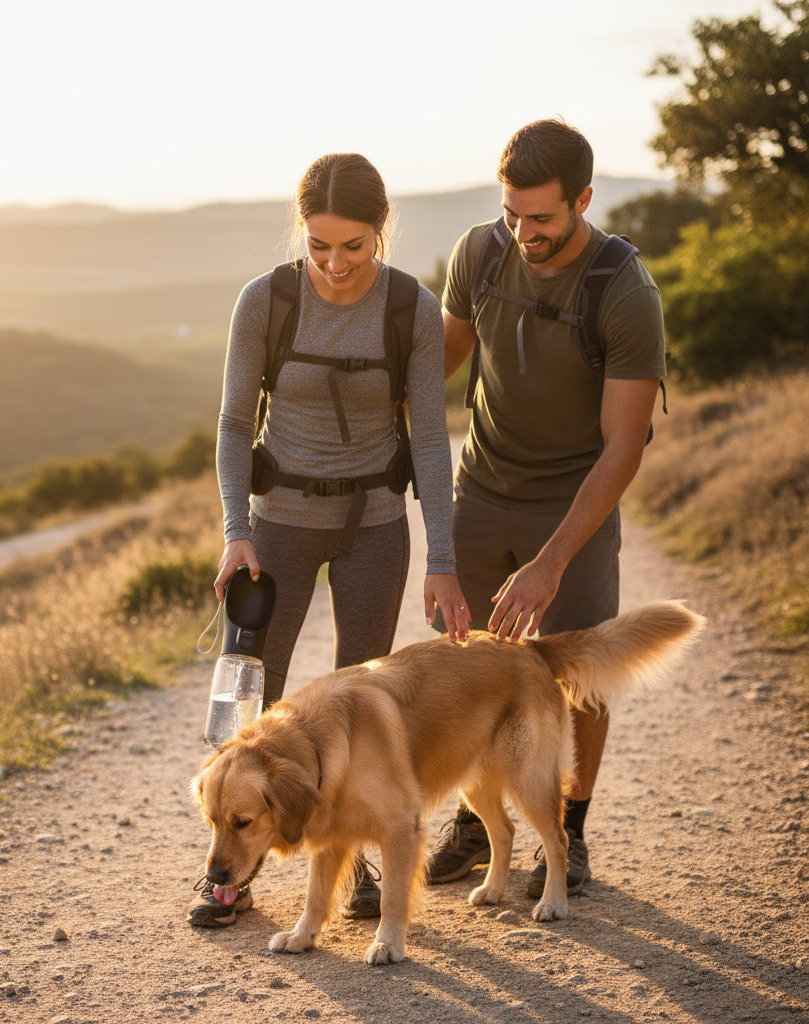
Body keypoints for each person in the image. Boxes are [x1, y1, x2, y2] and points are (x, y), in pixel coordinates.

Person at [188, 152, 470, 928]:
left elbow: (431, 438)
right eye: (318, 245)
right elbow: (233, 423)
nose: (335, 264)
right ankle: (227, 875)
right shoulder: (267, 301)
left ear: (382, 228)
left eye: (354, 246)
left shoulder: (410, 308)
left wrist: (442, 558)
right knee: (249, 700)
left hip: (374, 524)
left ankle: (361, 860)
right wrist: (236, 532)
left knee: (361, 707)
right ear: (300, 230)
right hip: (277, 525)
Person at [425, 119, 666, 899]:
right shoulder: (479, 253)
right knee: (465, 662)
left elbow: (623, 446)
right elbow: (437, 366)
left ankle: (571, 829)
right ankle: (478, 823)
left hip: (573, 501)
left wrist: (552, 560)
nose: (522, 234)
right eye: (511, 214)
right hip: (482, 488)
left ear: (583, 201)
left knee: (578, 671)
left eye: (541, 219)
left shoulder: (624, 292)